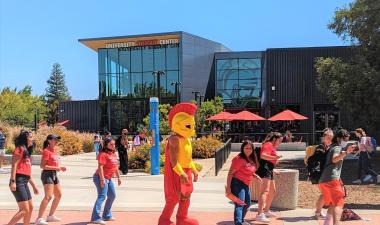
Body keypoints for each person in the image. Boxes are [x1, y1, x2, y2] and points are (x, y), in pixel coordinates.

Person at [158, 102, 199, 225]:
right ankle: (164, 220)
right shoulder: (174, 139)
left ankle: (182, 218)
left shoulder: (187, 140)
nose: (192, 128)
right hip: (177, 173)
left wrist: (194, 170)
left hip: (186, 172)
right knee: (173, 198)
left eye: (192, 125)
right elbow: (173, 162)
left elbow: (188, 159)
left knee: (186, 197)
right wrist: (181, 173)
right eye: (188, 125)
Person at [318, 129, 355, 225]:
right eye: (345, 139)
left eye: (347, 140)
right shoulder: (337, 147)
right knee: (339, 203)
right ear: (339, 138)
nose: (346, 142)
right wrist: (346, 152)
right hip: (331, 180)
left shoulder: (331, 147)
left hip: (323, 180)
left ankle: (326, 223)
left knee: (332, 204)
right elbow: (334, 159)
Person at [225, 140, 261, 225]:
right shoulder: (238, 159)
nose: (248, 150)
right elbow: (230, 173)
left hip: (246, 184)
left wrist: (255, 175)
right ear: (242, 148)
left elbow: (249, 169)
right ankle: (238, 222)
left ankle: (241, 220)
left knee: (247, 204)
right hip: (237, 183)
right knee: (240, 204)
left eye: (250, 148)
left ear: (253, 149)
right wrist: (228, 188)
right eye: (246, 148)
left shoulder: (251, 158)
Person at [8, 130, 39, 225]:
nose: (32, 139)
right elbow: (14, 165)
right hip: (18, 180)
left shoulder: (27, 153)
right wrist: (13, 181)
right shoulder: (20, 149)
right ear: (25, 139)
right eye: (30, 137)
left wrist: (34, 186)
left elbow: (27, 174)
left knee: (30, 207)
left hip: (24, 181)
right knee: (24, 209)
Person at [35, 134, 67, 225]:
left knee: (58, 195)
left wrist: (60, 167)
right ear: (49, 140)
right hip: (47, 174)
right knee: (48, 196)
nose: (56, 141)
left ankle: (50, 216)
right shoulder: (46, 151)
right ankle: (39, 219)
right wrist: (56, 168)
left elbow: (54, 163)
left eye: (57, 139)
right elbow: (42, 166)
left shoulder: (54, 150)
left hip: (54, 174)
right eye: (55, 139)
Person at [91, 137, 121, 224]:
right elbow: (100, 167)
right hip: (100, 177)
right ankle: (95, 218)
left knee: (112, 195)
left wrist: (119, 178)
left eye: (114, 144)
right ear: (106, 145)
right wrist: (102, 179)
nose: (113, 145)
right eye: (111, 144)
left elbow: (115, 167)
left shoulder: (113, 154)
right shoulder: (102, 154)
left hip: (109, 178)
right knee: (102, 196)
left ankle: (106, 215)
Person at [255, 132, 283, 223]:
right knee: (265, 191)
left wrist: (273, 168)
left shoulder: (270, 145)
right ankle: (259, 214)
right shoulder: (268, 144)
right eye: (279, 141)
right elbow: (263, 156)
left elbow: (267, 159)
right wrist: (276, 157)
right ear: (274, 139)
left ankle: (266, 211)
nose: (280, 143)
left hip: (269, 170)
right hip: (265, 170)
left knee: (272, 191)